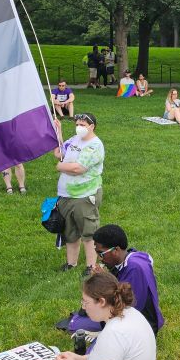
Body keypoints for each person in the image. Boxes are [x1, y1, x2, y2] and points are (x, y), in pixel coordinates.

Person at [49, 272, 156, 360]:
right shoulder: (131, 313)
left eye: (86, 302)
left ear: (101, 301)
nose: (83, 307)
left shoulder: (113, 334)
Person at [55, 113, 105, 276]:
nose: (79, 127)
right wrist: (59, 132)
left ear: (92, 127)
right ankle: (71, 263)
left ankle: (91, 266)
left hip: (84, 195)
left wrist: (60, 167)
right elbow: (59, 153)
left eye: (83, 124)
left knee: (88, 231)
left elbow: (79, 169)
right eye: (78, 123)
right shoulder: (74, 139)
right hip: (66, 195)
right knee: (69, 231)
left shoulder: (95, 145)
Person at [92, 225, 164, 334]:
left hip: (143, 327)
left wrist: (105, 279)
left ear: (116, 250)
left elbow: (128, 303)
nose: (100, 258)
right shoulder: (128, 258)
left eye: (101, 253)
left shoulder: (135, 268)